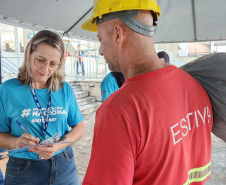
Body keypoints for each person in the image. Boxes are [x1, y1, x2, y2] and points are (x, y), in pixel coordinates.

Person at [81, 0, 213, 185]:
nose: (101, 51)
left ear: (118, 34)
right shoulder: (193, 84)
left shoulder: (119, 110)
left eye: (100, 39)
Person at [0, 30, 84, 185]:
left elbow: (79, 126)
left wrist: (60, 144)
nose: (46, 70)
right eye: (40, 60)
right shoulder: (7, 90)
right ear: (28, 55)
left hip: (64, 164)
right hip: (24, 169)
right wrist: (15, 143)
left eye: (53, 64)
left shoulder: (64, 89)